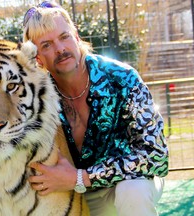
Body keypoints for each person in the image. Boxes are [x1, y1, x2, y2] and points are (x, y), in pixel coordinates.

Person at [23, 1, 169, 215]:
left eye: (64, 37)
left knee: (133, 191)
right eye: (47, 45)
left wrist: (81, 177)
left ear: (76, 36)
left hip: (124, 185)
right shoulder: (37, 99)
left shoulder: (123, 79)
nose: (60, 49)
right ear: (37, 58)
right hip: (71, 194)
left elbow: (156, 156)